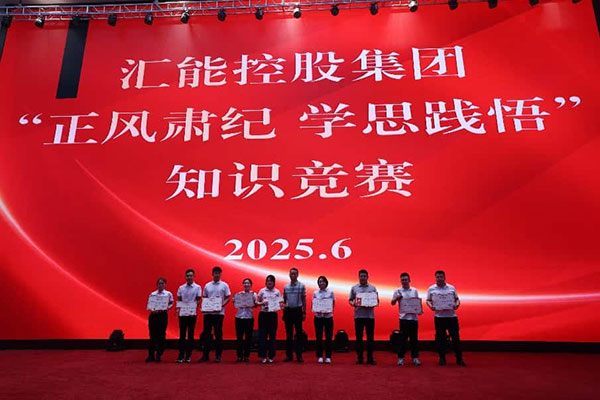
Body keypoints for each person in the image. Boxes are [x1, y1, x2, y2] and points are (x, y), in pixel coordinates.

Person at [426, 270, 466, 366]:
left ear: (444, 277)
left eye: (441, 277)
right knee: (441, 339)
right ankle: (442, 358)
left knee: (455, 338)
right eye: (438, 277)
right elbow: (428, 300)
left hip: (451, 317)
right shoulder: (431, 289)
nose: (439, 279)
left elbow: (457, 299)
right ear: (435, 278)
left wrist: (457, 305)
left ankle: (459, 359)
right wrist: (431, 306)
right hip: (439, 318)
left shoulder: (451, 288)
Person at [199, 266, 231, 363]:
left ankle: (218, 355)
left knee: (218, 334)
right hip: (208, 313)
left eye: (218, 273)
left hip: (219, 313)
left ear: (220, 274)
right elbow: (204, 298)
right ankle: (205, 355)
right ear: (212, 274)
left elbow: (228, 297)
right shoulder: (207, 285)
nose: (217, 275)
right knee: (206, 334)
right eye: (215, 273)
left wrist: (222, 305)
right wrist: (204, 307)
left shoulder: (224, 285)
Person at [391, 272, 421, 366]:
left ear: (409, 280)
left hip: (413, 319)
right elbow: (392, 303)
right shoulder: (397, 291)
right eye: (402, 280)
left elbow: (417, 303)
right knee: (403, 340)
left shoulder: (414, 290)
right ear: (400, 281)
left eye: (406, 280)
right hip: (403, 319)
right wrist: (397, 298)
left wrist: (419, 310)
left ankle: (415, 358)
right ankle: (401, 358)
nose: (404, 281)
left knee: (414, 340)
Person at [349, 269, 378, 365]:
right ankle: (360, 358)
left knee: (370, 338)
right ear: (359, 277)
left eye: (364, 276)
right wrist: (353, 303)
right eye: (361, 276)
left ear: (367, 277)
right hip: (358, 316)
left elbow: (376, 300)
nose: (363, 278)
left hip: (370, 316)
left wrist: (373, 302)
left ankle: (370, 358)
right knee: (359, 338)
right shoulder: (354, 288)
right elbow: (350, 300)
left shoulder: (373, 288)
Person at [175, 268, 202, 363]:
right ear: (185, 277)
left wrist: (194, 307)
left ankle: (188, 355)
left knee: (190, 335)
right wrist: (178, 308)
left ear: (194, 277)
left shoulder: (197, 287)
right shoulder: (181, 288)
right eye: (187, 276)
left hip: (192, 314)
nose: (189, 277)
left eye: (191, 276)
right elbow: (179, 299)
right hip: (182, 314)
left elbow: (198, 299)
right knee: (182, 335)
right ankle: (181, 355)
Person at [146, 277, 174, 362]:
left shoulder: (168, 294)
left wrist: (166, 308)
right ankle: (151, 355)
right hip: (153, 315)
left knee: (161, 335)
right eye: (159, 283)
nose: (160, 285)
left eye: (162, 283)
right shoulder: (153, 294)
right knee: (152, 335)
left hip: (162, 315)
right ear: (157, 285)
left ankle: (159, 354)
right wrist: (152, 309)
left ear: (165, 285)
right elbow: (149, 304)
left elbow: (172, 303)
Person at [257, 275, 282, 363]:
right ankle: (263, 356)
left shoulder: (277, 292)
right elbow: (257, 302)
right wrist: (262, 303)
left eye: (271, 281)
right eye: (268, 281)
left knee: (272, 336)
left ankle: (271, 356)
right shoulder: (262, 291)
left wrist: (279, 306)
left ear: (274, 282)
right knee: (262, 336)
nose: (269, 282)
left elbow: (280, 303)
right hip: (263, 315)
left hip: (273, 315)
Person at [283, 267, 306, 362]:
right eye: (291, 273)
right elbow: (284, 300)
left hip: (297, 311)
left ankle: (299, 355)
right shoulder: (286, 287)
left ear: (297, 275)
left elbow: (303, 300)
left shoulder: (301, 286)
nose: (293, 275)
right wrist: (284, 311)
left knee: (299, 334)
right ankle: (289, 355)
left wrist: (304, 312)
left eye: (294, 273)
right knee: (288, 334)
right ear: (289, 275)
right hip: (288, 311)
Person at [312, 275, 335, 364]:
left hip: (328, 317)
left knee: (328, 337)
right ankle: (320, 356)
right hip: (318, 317)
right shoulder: (315, 293)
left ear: (326, 283)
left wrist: (327, 309)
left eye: (323, 281)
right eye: (320, 282)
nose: (321, 283)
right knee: (319, 337)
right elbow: (313, 303)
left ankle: (328, 356)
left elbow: (333, 303)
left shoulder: (330, 292)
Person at [234, 278, 257, 362]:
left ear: (251, 285)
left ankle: (247, 356)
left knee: (248, 338)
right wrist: (235, 301)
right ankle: (239, 356)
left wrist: (253, 303)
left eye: (248, 283)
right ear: (243, 284)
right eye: (245, 283)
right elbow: (236, 304)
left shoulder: (254, 294)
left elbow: (256, 305)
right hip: (239, 317)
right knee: (239, 337)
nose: (246, 284)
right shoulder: (239, 294)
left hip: (249, 318)